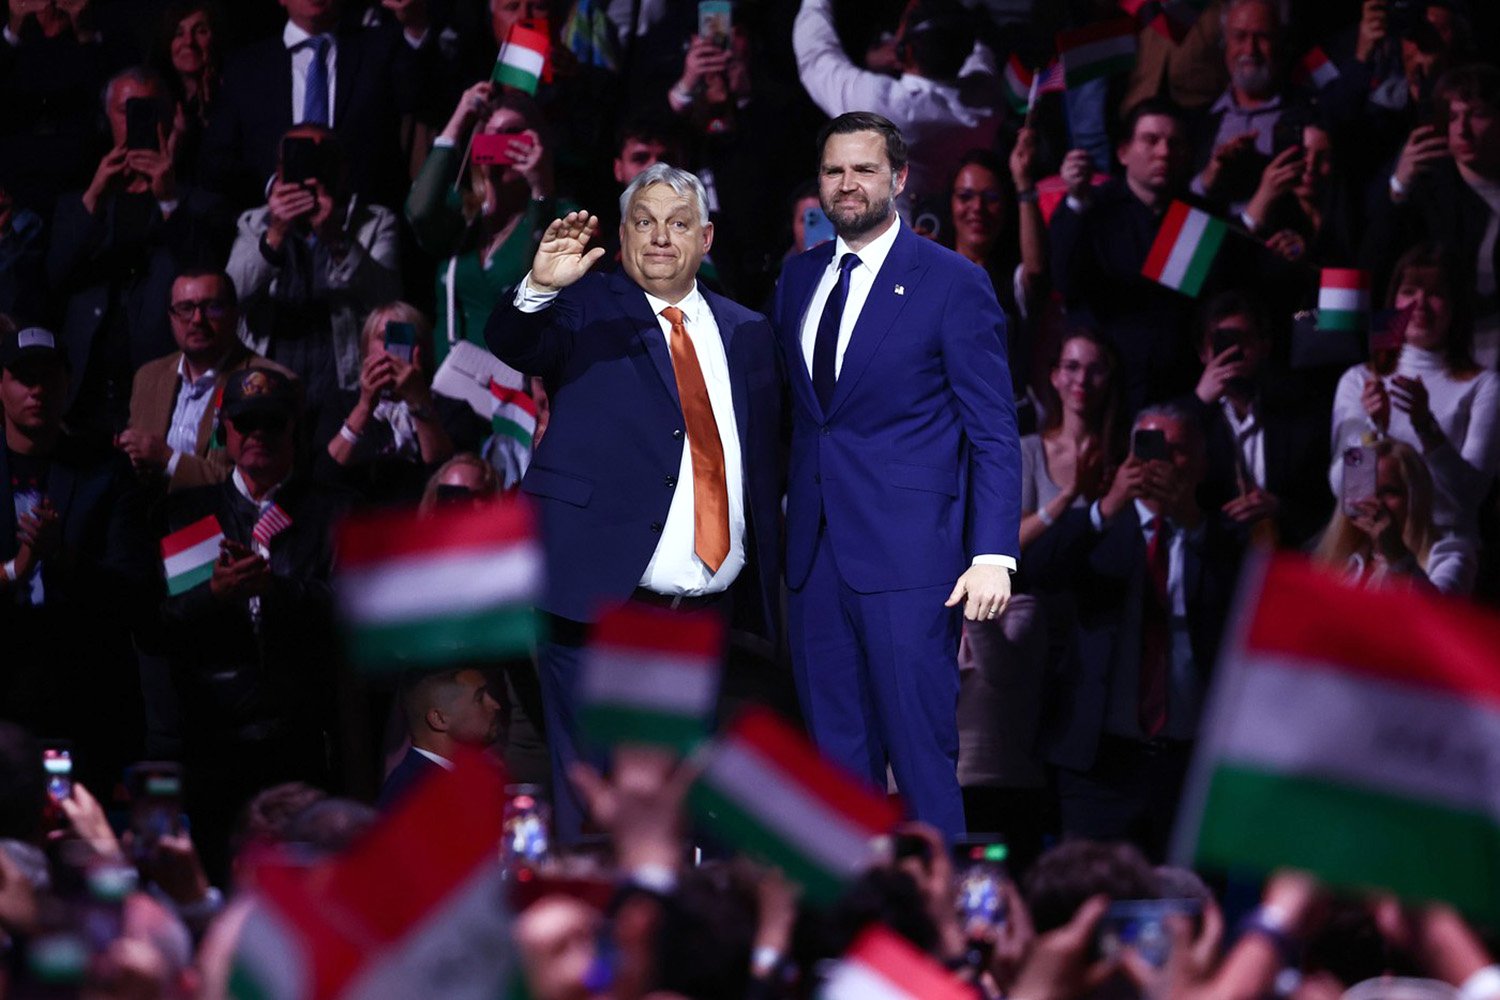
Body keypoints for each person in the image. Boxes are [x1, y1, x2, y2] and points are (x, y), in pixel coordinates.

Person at [485, 163, 783, 843]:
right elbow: (515, 341)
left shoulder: (748, 331)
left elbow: (765, 458)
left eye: (678, 223)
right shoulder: (584, 307)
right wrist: (538, 288)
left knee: (677, 814)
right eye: (643, 222)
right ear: (621, 237)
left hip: (702, 615)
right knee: (596, 807)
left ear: (706, 238)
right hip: (596, 602)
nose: (660, 237)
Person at [770, 111, 1020, 838]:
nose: (847, 184)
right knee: (835, 775)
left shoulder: (952, 281)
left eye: (864, 169)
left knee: (920, 764)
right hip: (813, 559)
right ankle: (849, 906)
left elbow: (993, 430)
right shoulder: (797, 277)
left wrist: (993, 552)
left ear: (900, 178)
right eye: (834, 170)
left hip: (911, 559)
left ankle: (939, 907)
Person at [1027, 403, 1242, 858]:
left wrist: (1192, 522)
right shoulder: (1097, 529)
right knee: (1090, 890)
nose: (1160, 461)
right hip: (1099, 767)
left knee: (1185, 893)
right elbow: (1037, 571)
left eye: (1176, 450)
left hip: (1188, 769)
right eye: (1148, 448)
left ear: (1202, 464)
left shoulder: (1224, 543)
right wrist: (1106, 506)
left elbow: (1241, 605)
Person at [159, 367, 350, 880]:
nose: (258, 434)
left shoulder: (331, 514)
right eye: (246, 423)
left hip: (302, 737)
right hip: (215, 739)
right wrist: (214, 595)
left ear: (294, 429)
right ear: (225, 429)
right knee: (222, 880)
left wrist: (277, 589)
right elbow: (163, 625)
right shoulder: (189, 514)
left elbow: (350, 609)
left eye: (272, 422)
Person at [959, 329, 1122, 865]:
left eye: (1094, 368)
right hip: (1025, 636)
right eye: (1071, 366)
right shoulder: (1028, 451)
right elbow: (1009, 542)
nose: (1081, 380)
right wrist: (1073, 498)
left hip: (1091, 633)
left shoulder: (1123, 458)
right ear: (1053, 375)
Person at [0, 324, 155, 794]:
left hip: (84, 693)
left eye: (49, 377)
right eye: (25, 377)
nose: (38, 390)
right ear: (1, 384)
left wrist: (60, 556)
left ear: (68, 384)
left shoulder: (105, 472)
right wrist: (18, 567)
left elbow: (133, 589)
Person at [48, 66, 227, 436]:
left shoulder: (200, 205)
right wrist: (94, 196)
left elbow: (205, 281)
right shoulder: (78, 204)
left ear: (172, 118)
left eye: (151, 110)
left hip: (165, 394)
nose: (138, 121)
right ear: (107, 118)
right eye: (126, 110)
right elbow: (54, 278)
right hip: (83, 393)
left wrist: (168, 201)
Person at [1050, 98, 1213, 413]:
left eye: (1174, 143)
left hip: (1173, 394)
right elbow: (1065, 282)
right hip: (1102, 393)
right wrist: (1077, 201)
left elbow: (1182, 309)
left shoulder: (1196, 217)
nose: (1164, 152)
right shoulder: (1089, 207)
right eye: (1151, 140)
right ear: (1123, 152)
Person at [226, 124, 401, 415]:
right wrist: (275, 235)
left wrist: (337, 239)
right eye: (298, 160)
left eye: (322, 160)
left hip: (343, 387)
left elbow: (388, 302)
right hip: (267, 386)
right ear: (279, 172)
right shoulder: (254, 223)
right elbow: (231, 296)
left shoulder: (375, 222)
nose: (311, 171)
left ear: (342, 170)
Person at [1329, 244, 1500, 540]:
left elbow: (1470, 496)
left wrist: (1426, 427)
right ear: (1394, 301)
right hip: (1373, 543)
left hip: (1444, 546)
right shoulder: (1359, 380)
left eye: (1435, 294)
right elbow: (1348, 490)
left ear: (1455, 306)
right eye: (1409, 291)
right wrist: (1373, 430)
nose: (1420, 303)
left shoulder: (1484, 385)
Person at [200, 0, 438, 207]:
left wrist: (416, 25)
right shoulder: (246, 67)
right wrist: (272, 186)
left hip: (364, 222)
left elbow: (422, 98)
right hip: (275, 224)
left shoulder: (378, 48)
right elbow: (219, 156)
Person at [405, 82, 567, 370]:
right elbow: (419, 211)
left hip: (517, 386)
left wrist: (541, 189)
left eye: (514, 134)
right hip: (452, 387)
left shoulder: (560, 215)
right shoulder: (462, 215)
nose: (502, 145)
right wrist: (458, 121)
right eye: (491, 136)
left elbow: (543, 287)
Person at [791, 0, 1003, 207]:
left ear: (905, 52)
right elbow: (981, 57)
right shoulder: (986, 105)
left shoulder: (884, 106)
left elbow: (816, 58)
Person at [118, 268, 295, 493]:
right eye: (185, 308)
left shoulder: (269, 383)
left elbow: (260, 484)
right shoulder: (149, 377)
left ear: (235, 315)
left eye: (212, 307)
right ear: (171, 317)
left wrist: (168, 458)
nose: (197, 320)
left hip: (223, 514)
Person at [1374, 64, 1500, 367]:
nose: (1462, 129)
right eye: (1452, 117)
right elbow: (1382, 273)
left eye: (1477, 114)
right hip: (1436, 357)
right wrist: (1398, 188)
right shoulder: (1425, 190)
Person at [1189, 289, 1331, 548]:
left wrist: (1279, 508)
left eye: (1243, 340)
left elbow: (1323, 502)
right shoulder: (1185, 417)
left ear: (1264, 346)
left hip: (1286, 551)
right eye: (1222, 342)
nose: (1234, 352)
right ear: (1203, 353)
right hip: (1210, 556)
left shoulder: (1302, 416)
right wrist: (1199, 404)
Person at [317, 301, 487, 505]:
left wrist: (418, 401)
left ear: (420, 350)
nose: (392, 350)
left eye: (403, 338)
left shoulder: (453, 411)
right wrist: (364, 407)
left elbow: (446, 479)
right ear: (366, 348)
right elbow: (324, 475)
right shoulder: (339, 404)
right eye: (384, 337)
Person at [1313, 438, 1477, 594]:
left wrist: (1398, 557)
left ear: (1415, 497)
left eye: (1388, 492)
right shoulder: (1340, 560)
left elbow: (1435, 608)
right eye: (1367, 492)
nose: (1375, 502)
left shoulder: (1449, 556)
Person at [377, 668, 506, 810]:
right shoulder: (416, 796)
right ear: (439, 719)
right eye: (479, 698)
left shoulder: (455, 779)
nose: (495, 705)